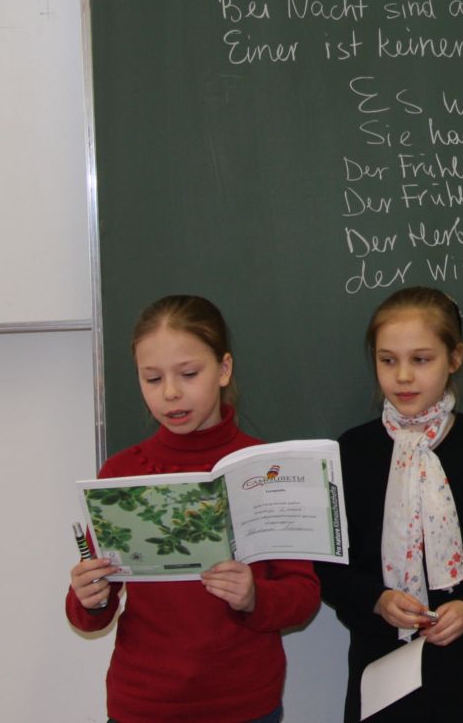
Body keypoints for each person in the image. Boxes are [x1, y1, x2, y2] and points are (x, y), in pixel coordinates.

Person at [66, 295, 321, 723]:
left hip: (244, 704)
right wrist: (89, 597)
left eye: (188, 374)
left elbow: (303, 596)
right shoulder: (122, 473)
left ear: (223, 369)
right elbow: (91, 614)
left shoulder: (267, 471)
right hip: (143, 703)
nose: (170, 392)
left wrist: (254, 596)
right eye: (152, 378)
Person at [317, 286, 463, 723]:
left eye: (421, 359)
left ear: (454, 358)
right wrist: (377, 600)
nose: (402, 376)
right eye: (387, 360)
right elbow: (329, 565)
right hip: (379, 662)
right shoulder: (351, 452)